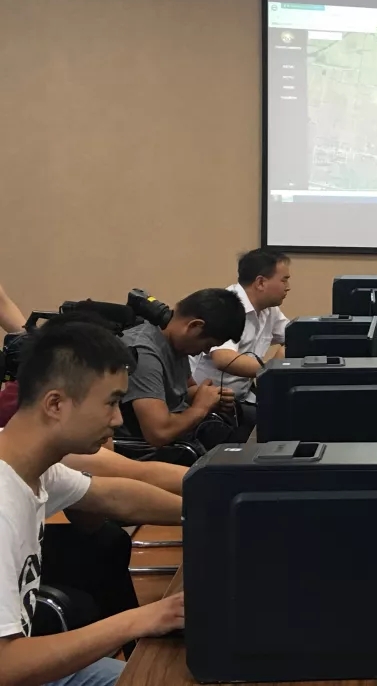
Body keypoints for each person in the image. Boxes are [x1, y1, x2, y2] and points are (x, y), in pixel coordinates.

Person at [0, 318, 185, 686]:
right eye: (111, 403)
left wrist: (208, 511)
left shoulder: (35, 469)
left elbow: (114, 497)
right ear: (55, 404)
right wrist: (145, 618)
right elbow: (5, 666)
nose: (117, 419)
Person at [121, 288, 245, 450]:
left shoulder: (177, 344)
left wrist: (210, 397)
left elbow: (185, 391)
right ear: (195, 326)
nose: (206, 351)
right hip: (160, 449)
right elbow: (159, 433)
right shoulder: (143, 353)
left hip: (183, 435)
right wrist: (200, 408)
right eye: (208, 345)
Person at [190, 249, 290, 406]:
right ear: (261, 283)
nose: (288, 287)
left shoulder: (270, 310)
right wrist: (272, 368)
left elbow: (296, 336)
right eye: (284, 280)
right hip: (206, 402)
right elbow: (224, 358)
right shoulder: (227, 305)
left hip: (241, 399)